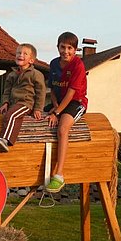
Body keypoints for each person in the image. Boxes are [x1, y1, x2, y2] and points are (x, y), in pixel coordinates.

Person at [45, 32, 88, 193]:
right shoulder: (54, 63)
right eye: (62, 47)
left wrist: (57, 113)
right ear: (57, 47)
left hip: (75, 102)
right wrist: (54, 107)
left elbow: (71, 93)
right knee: (37, 116)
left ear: (75, 50)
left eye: (70, 48)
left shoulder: (78, 65)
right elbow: (54, 89)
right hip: (59, 101)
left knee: (62, 129)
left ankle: (59, 175)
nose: (65, 51)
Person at [0, 43, 46, 152]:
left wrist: (38, 109)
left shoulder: (36, 74)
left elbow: (41, 92)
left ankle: (5, 140)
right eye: (19, 53)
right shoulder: (12, 75)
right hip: (13, 104)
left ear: (31, 60)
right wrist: (5, 103)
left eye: (25, 53)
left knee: (11, 115)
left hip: (26, 103)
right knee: (4, 114)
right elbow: (7, 91)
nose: (21, 55)